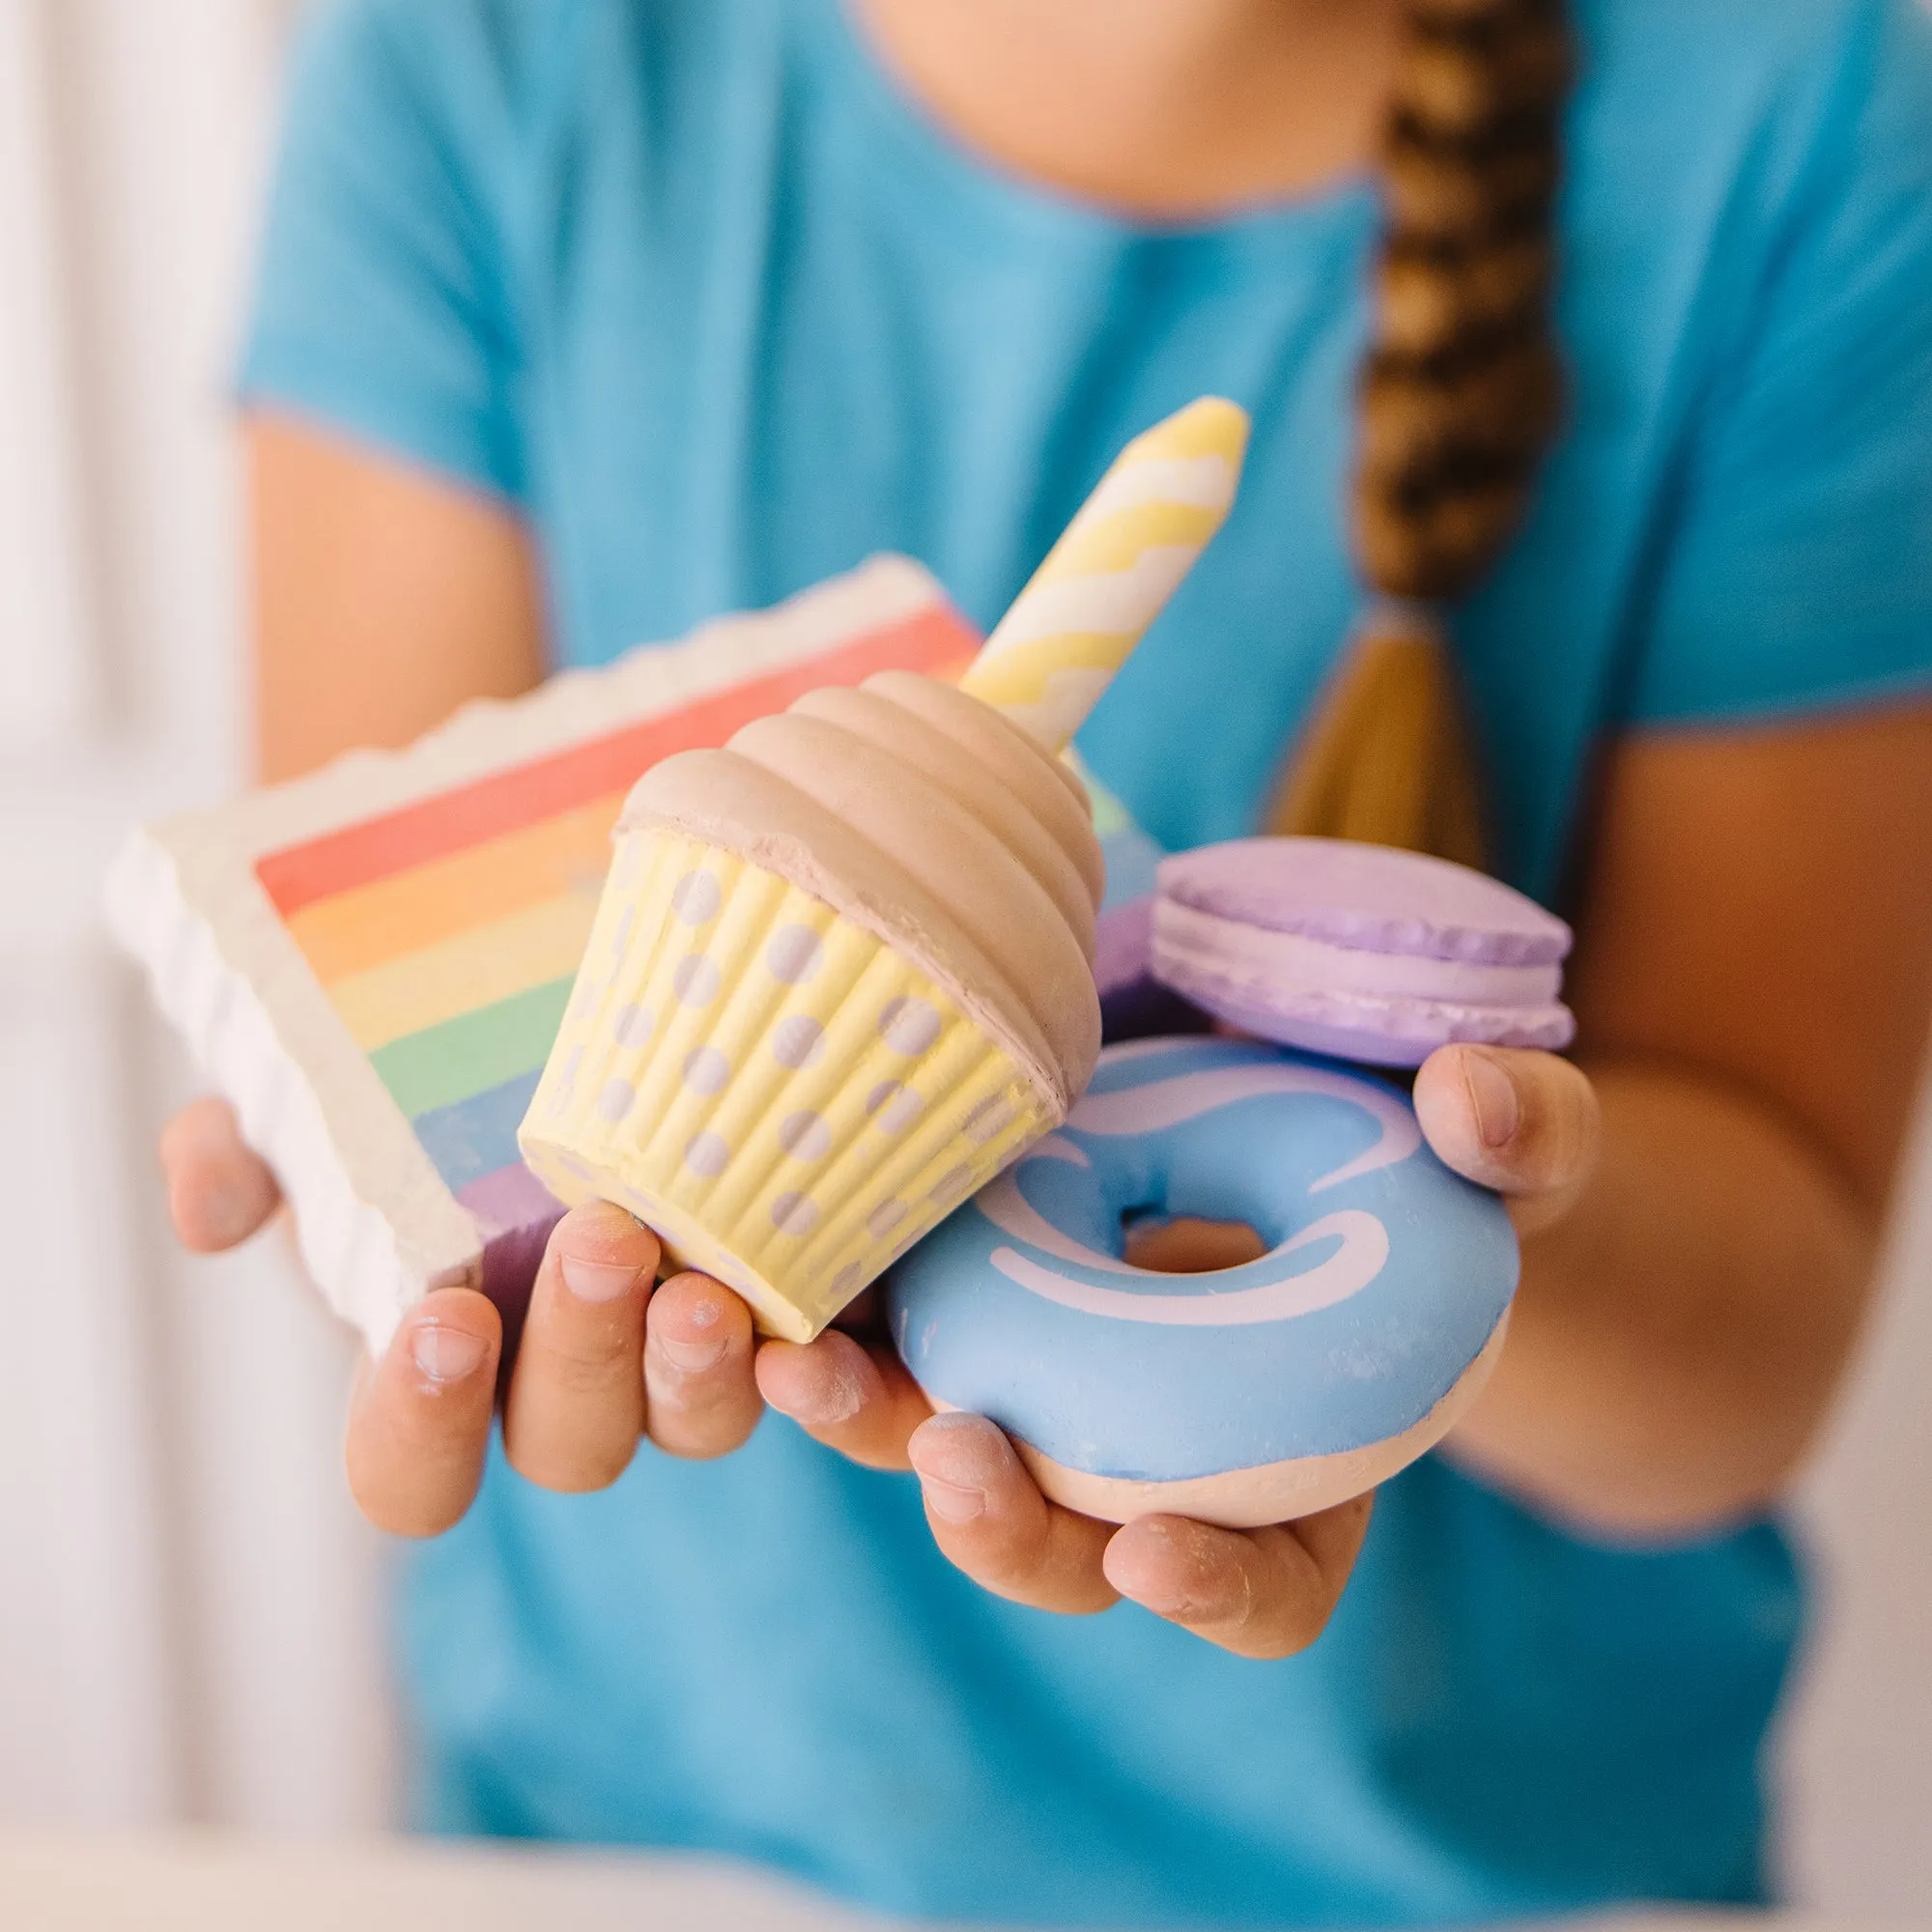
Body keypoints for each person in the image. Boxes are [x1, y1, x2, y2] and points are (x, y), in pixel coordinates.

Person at [159, 0, 1932, 1921]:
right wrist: (370, 1142)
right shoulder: (488, 61)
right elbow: (438, 984)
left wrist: (1453, 1222)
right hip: (637, 1838)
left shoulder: (1794, 111)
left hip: (1469, 1865)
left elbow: (1755, 1348)